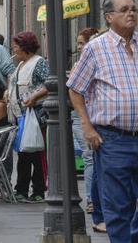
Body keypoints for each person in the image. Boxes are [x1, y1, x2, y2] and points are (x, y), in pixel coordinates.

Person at [68, 0, 138, 241]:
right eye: (124, 10)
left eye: (133, 8)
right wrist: (87, 127)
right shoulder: (96, 48)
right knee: (118, 207)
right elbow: (75, 89)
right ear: (109, 17)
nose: (131, 13)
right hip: (113, 139)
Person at [7, 31, 48, 203]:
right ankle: (21, 190)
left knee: (36, 153)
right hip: (22, 116)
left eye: (16, 46)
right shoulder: (20, 64)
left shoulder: (38, 63)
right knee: (23, 154)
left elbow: (49, 83)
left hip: (36, 116)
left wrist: (35, 97)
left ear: (25, 47)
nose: (13, 50)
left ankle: (38, 190)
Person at [70, 26, 102, 229]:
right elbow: (74, 89)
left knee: (96, 161)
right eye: (79, 44)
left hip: (99, 118)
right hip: (85, 117)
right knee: (91, 158)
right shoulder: (81, 63)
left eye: (82, 43)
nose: (80, 47)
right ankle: (92, 200)